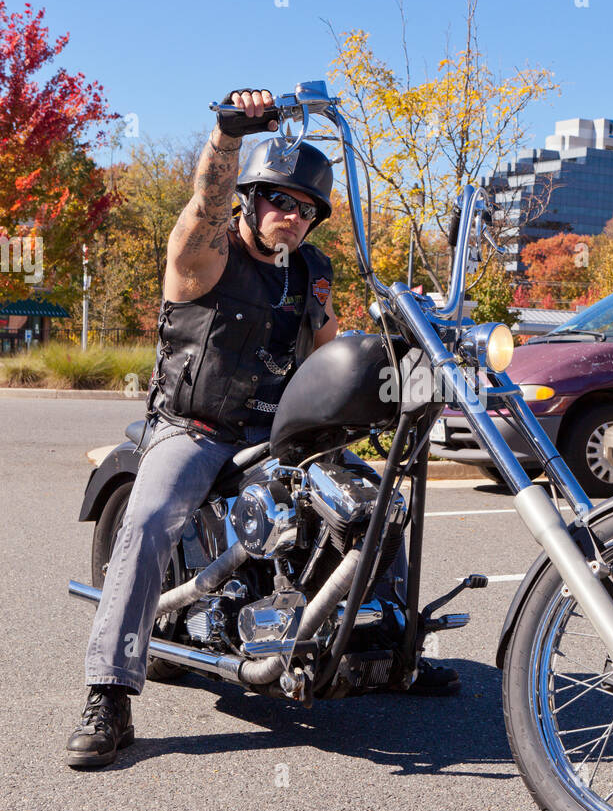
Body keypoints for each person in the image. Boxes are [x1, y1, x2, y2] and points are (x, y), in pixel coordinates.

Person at [66, 89, 456, 770]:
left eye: (305, 207)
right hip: (197, 426)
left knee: (379, 500)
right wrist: (226, 137)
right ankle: (109, 691)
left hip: (279, 432)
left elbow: (333, 351)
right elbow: (204, 207)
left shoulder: (312, 275)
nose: (292, 215)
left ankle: (395, 652)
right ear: (249, 200)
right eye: (278, 199)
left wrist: (404, 343)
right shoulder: (207, 255)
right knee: (152, 516)